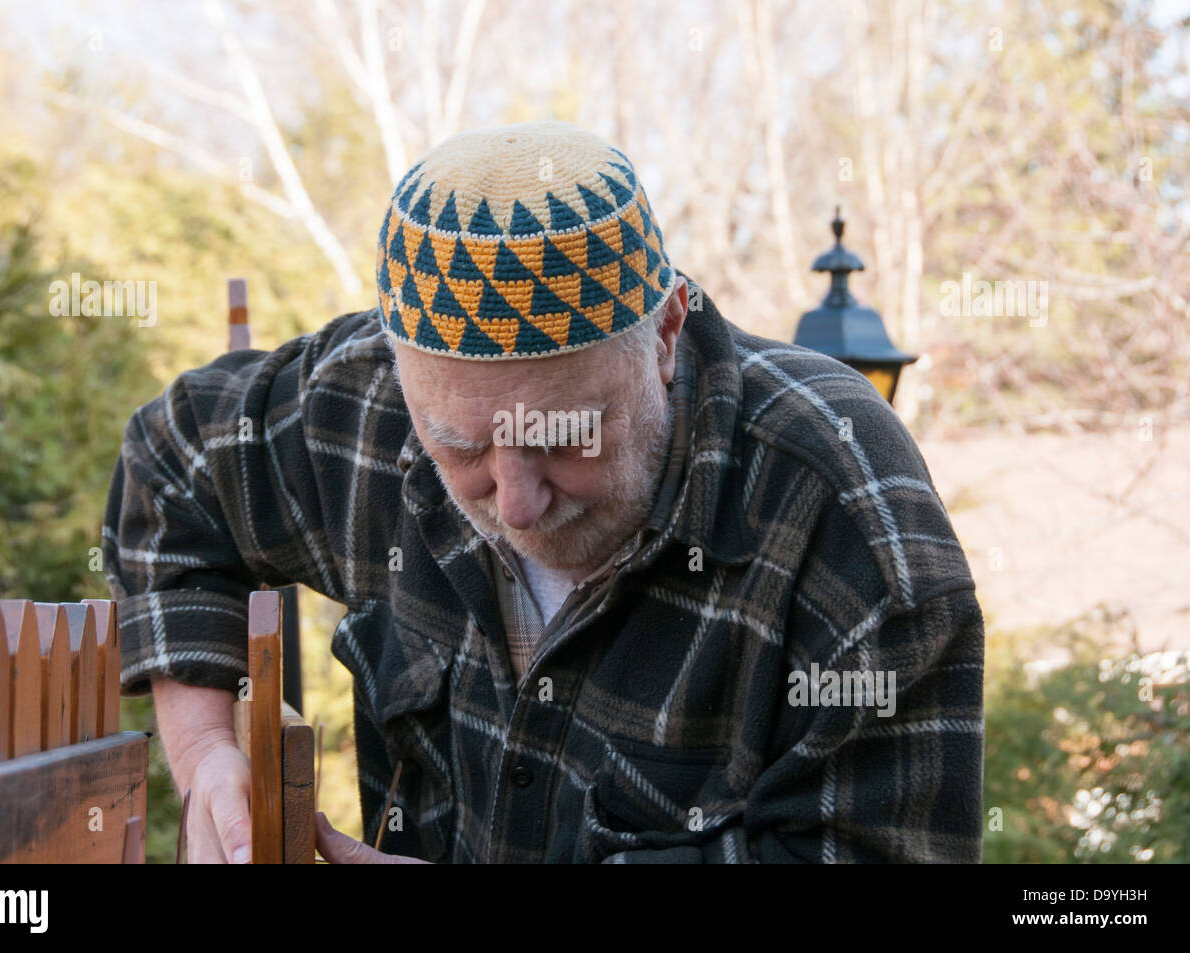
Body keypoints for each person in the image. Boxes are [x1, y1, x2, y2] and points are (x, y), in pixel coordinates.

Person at [102, 120, 985, 864]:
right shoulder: (364, 403)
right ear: (400, 372)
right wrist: (206, 753)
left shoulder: (845, 511)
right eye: (461, 446)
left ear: (667, 333)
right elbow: (169, 464)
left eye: (568, 435)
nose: (516, 502)